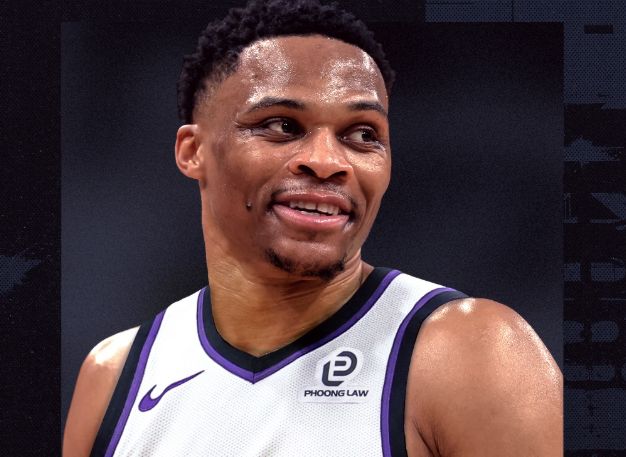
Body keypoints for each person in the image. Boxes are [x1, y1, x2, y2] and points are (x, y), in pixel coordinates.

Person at [63, 0, 563, 455]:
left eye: (362, 134)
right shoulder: (114, 376)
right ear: (193, 152)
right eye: (282, 125)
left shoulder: (469, 352)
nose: (327, 161)